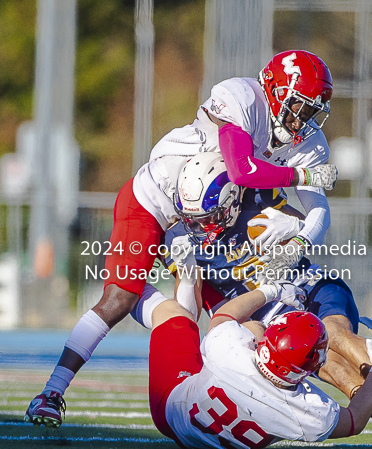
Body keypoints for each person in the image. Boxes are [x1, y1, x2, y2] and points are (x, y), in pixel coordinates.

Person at [24, 50, 338, 428]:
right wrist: (301, 178)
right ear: (272, 90)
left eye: (310, 111)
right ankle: (52, 391)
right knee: (119, 297)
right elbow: (242, 171)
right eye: (297, 107)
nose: (302, 119)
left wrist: (299, 239)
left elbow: (316, 211)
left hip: (213, 212)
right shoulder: (242, 99)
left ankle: (210, 380)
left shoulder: (307, 141)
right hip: (158, 200)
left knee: (197, 312)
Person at [144, 151, 372, 449]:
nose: (199, 227)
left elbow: (311, 225)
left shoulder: (256, 199)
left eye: (207, 217)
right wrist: (187, 274)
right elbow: (191, 302)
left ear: (230, 199)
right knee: (342, 375)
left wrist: (294, 228)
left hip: (308, 288)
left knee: (333, 334)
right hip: (272, 319)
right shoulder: (181, 239)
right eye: (192, 218)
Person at [145, 274, 372, 449]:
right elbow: (355, 419)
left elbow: (223, 317)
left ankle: (128, 288)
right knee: (250, 329)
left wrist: (270, 291)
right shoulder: (307, 409)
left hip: (172, 412)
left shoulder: (231, 350)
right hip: (227, 429)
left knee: (171, 311)